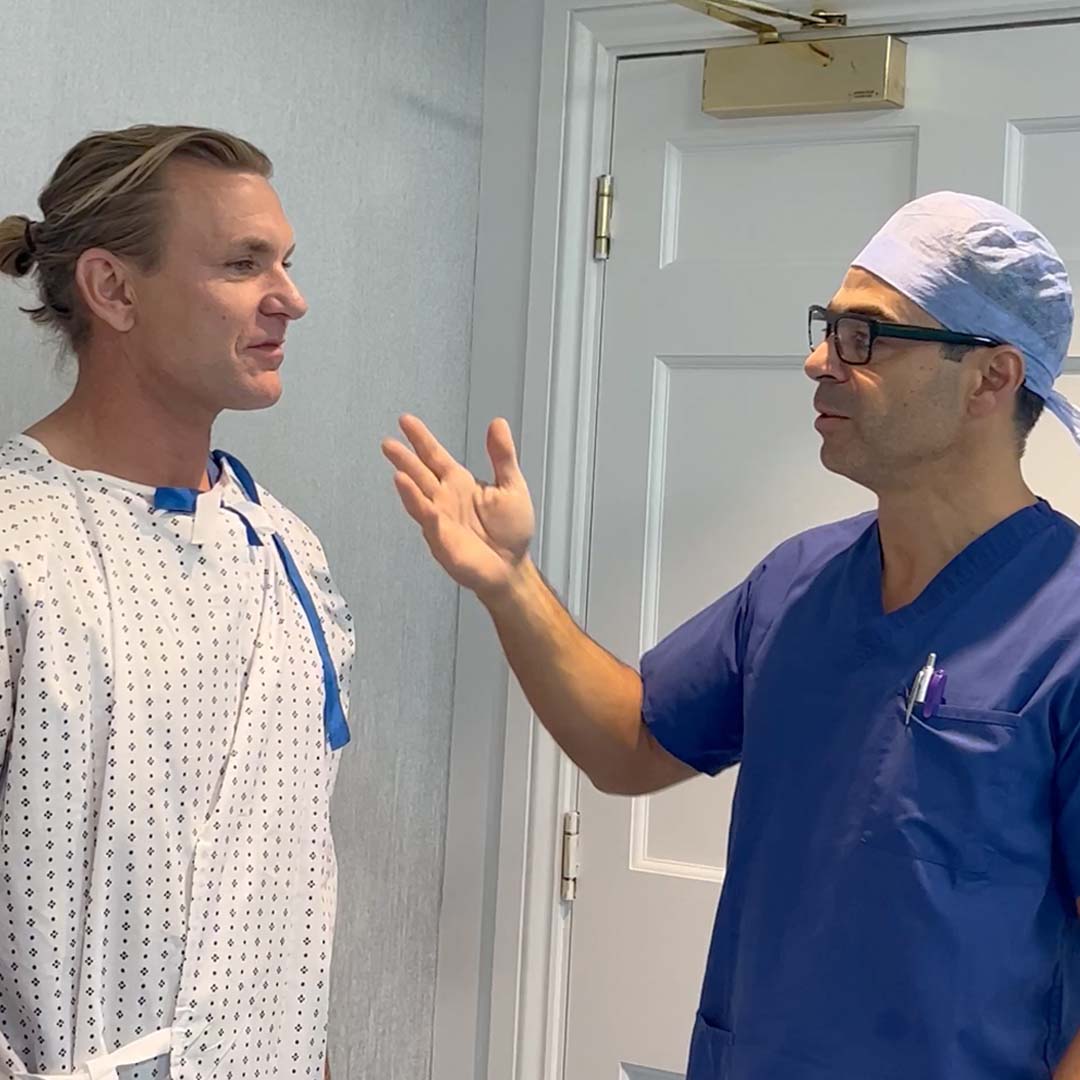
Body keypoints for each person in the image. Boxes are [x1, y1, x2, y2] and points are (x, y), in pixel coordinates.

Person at [383, 191, 1080, 1079]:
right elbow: (631, 744)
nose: (818, 360)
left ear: (992, 375)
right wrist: (510, 584)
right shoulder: (800, 583)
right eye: (829, 327)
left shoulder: (1064, 627)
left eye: (864, 336)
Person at [0, 125, 353, 1080]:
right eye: (245, 264)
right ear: (113, 289)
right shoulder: (18, 550)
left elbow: (288, 870)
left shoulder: (287, 551)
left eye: (285, 262)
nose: (291, 298)